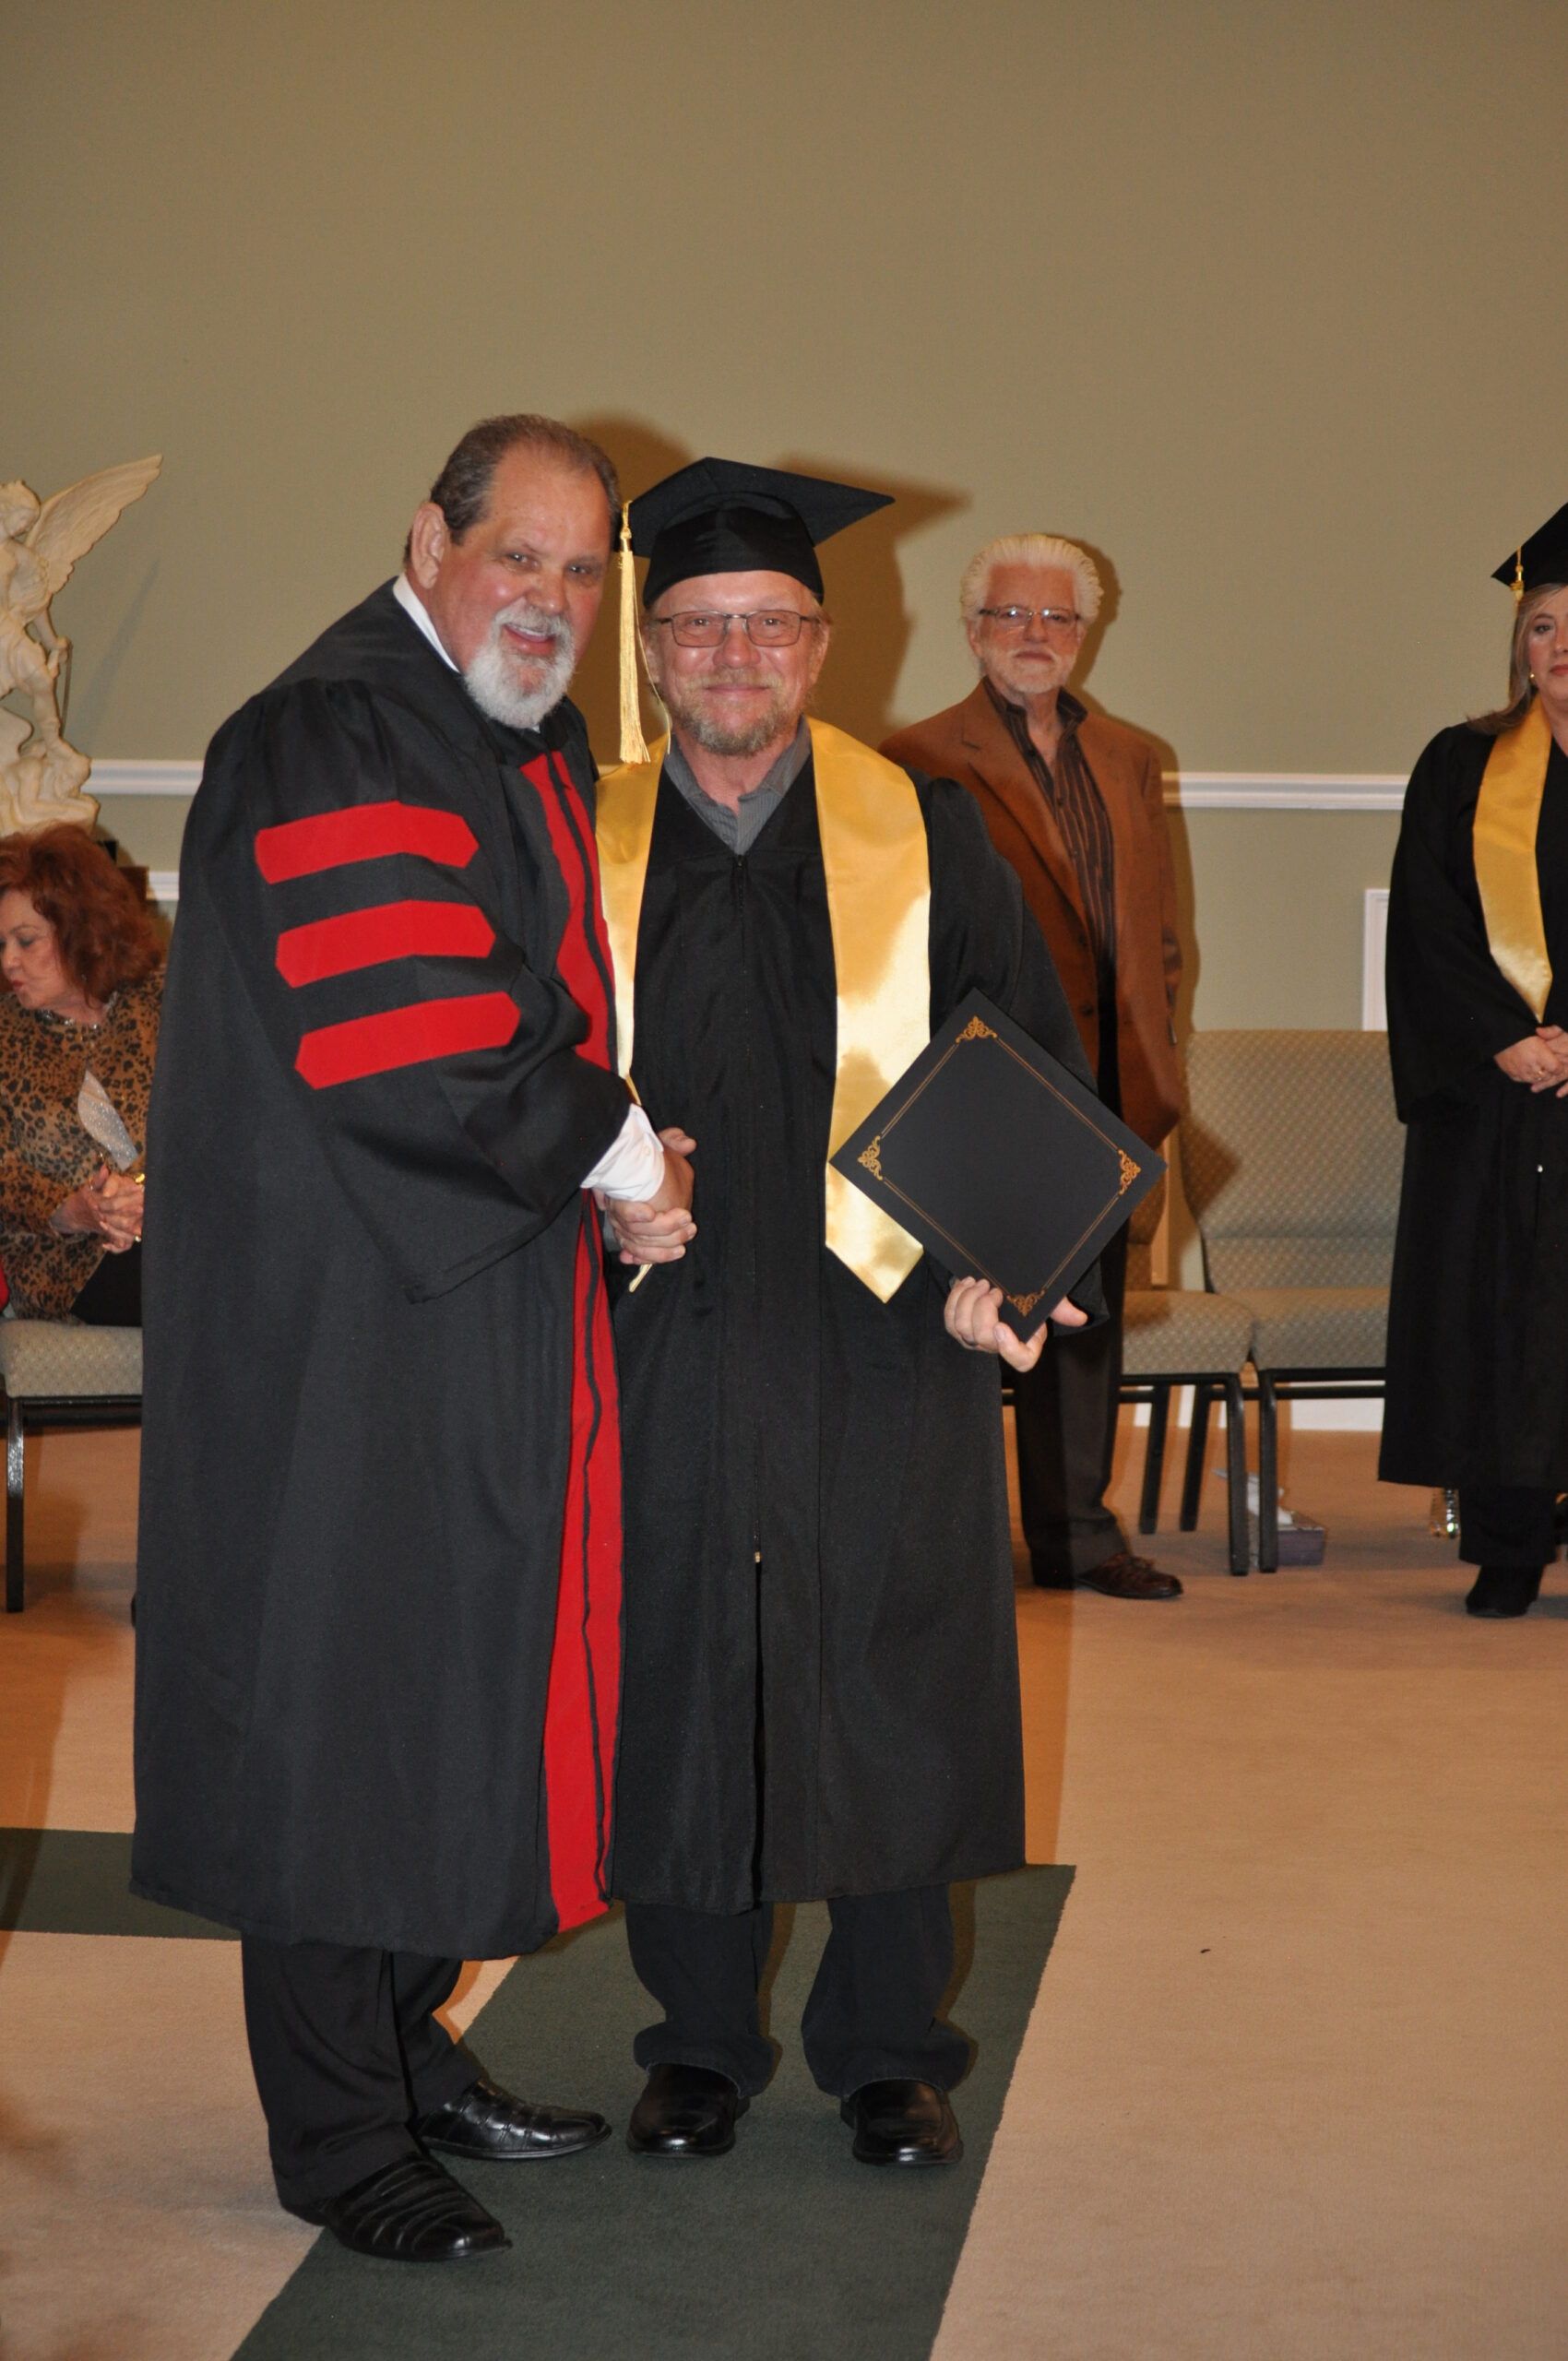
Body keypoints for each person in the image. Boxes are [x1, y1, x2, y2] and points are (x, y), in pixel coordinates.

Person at [131, 415, 694, 2263]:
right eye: (517, 554)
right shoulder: (335, 730)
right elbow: (416, 1024)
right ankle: (335, 2132)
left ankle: (401, 2047)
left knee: (453, 1687)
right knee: (341, 1705)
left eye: (580, 569)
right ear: (428, 541)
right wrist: (622, 1154)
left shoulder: (502, 735)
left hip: (464, 1295)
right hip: (341, 1331)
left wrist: (604, 1166)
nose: (549, 598)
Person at [596, 458, 1099, 2170]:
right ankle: (695, 2044)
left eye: (769, 624)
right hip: (658, 1324)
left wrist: (1001, 1273)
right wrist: (591, 1206)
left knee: (893, 1671)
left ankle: (891, 2053)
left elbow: (1024, 1070)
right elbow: (516, 1081)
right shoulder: (580, 845)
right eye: (697, 625)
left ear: (822, 645)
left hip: (884, 1333)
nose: (734, 655)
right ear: (650, 651)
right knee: (680, 1666)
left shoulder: (929, 833)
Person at [883, 536, 1183, 1601]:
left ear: (1085, 633)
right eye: (1011, 614)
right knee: (962, 1311)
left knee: (1083, 1315)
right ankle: (946, 1533)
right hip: (991, 1083)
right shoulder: (915, 755)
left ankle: (1076, 1537)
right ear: (972, 631)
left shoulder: (1130, 757)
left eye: (1057, 617)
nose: (1034, 634)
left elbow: (1157, 935)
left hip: (1111, 1078)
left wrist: (1156, 1052)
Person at [1381, 501, 1568, 1619]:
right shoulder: (1459, 766)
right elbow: (1426, 923)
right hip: (1495, 1091)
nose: (1560, 644)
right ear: (1519, 648)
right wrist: (1503, 1037)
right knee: (1499, 1307)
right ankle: (1505, 1540)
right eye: (1541, 625)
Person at [0, 823, 161, 1323]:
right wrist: (71, 1209)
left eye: (26, 941)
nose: (9, 961)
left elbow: (216, 1119)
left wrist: (145, 1193)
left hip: (184, 1222)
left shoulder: (160, 1004)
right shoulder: (5, 1036)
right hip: (67, 1260)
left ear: (81, 931)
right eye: (1, 943)